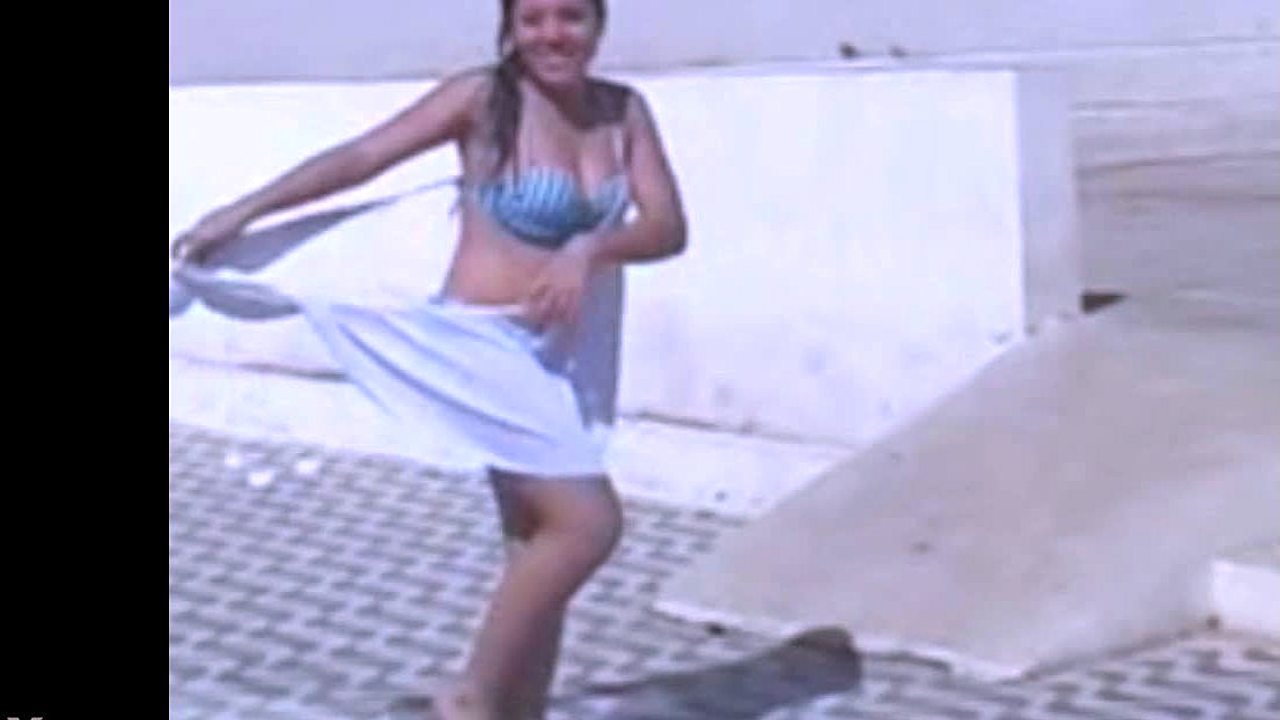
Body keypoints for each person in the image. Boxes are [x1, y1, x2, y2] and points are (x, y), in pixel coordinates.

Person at [170, 0, 687, 717]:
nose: (552, 34)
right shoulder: (483, 99)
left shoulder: (623, 111)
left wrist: (592, 245)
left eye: (571, 16)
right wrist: (245, 211)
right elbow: (361, 158)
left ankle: (516, 710)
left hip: (566, 354)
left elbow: (667, 226)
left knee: (535, 544)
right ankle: (469, 698)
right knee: (587, 524)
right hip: (480, 347)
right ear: (510, 28)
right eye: (532, 19)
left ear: (600, 24)